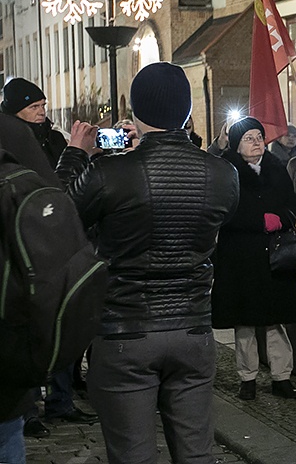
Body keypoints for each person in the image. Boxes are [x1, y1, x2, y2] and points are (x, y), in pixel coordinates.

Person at [65, 62, 240, 464]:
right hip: (193, 327)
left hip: (124, 329)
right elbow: (216, 217)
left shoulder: (111, 172)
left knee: (132, 454)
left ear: (137, 113)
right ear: (186, 111)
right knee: (197, 453)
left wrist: (77, 154)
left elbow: (57, 216)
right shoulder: (223, 174)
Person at [1, 78, 99, 438]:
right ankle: (27, 410)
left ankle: (60, 399)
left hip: (54, 256)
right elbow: (48, 197)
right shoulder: (12, 142)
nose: (42, 112)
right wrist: (74, 154)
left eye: (44, 105)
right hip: (24, 266)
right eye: (34, 107)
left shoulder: (52, 138)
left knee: (56, 326)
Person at [212, 116, 296, 401]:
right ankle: (248, 377)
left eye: (258, 137)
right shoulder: (227, 171)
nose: (256, 143)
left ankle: (281, 376)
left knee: (276, 319)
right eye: (249, 138)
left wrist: (282, 219)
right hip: (241, 256)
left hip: (275, 255)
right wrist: (256, 220)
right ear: (237, 144)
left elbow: (293, 204)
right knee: (246, 321)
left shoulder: (276, 168)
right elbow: (223, 210)